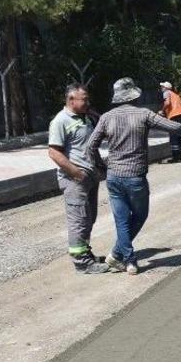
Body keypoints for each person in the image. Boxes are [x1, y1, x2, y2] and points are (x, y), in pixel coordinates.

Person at [85, 77, 181, 275]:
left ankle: (122, 258)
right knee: (140, 215)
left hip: (113, 177)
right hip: (135, 177)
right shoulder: (143, 114)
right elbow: (172, 127)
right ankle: (126, 258)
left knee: (121, 220)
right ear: (134, 95)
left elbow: (90, 147)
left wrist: (102, 168)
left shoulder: (106, 117)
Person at [47, 84, 108, 274]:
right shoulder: (60, 121)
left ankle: (86, 253)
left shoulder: (85, 118)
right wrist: (76, 173)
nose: (87, 102)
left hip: (90, 178)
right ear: (71, 100)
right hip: (74, 180)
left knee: (89, 218)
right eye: (84, 99)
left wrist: (99, 168)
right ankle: (82, 263)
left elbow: (90, 147)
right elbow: (54, 153)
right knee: (78, 220)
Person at [159, 80, 181, 163]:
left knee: (173, 136)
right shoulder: (176, 95)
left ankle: (175, 158)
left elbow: (167, 103)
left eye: (162, 87)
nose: (161, 88)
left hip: (174, 116)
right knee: (179, 136)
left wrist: (162, 111)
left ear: (166, 88)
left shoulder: (167, 92)